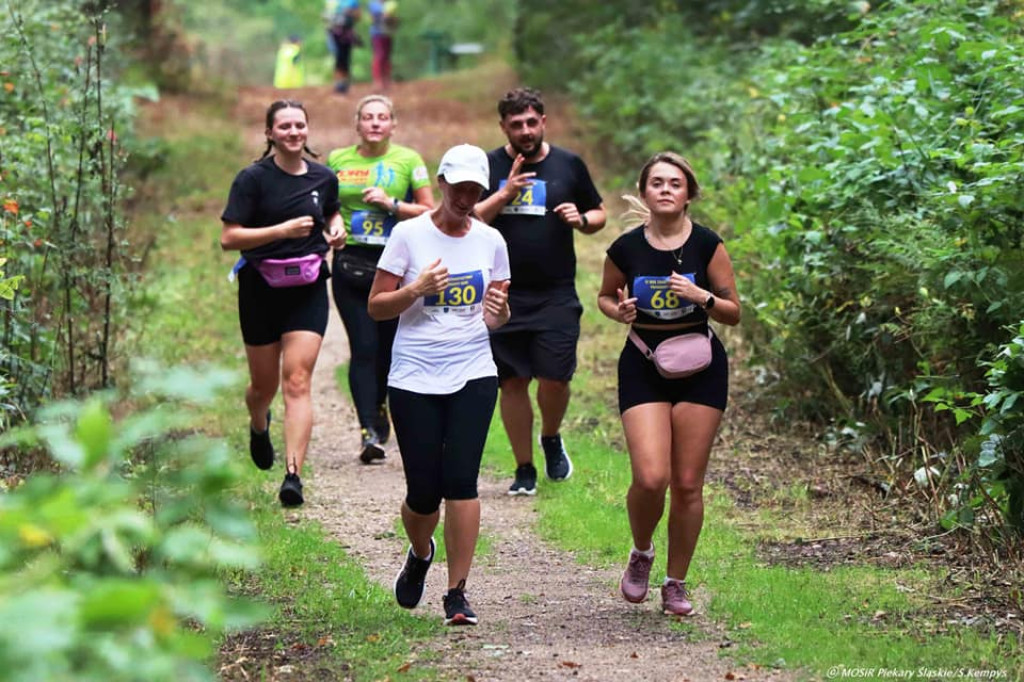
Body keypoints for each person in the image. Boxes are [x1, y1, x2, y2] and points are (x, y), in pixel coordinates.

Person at [367, 144, 511, 626]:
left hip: (473, 370)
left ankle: (457, 593)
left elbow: (496, 310)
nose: (466, 197)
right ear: (443, 182)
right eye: (460, 187)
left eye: (476, 189)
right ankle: (420, 551)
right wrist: (415, 290)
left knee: (461, 482)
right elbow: (377, 306)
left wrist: (500, 314)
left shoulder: (491, 241)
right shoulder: (408, 236)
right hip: (414, 375)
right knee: (424, 492)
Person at [596, 152, 741, 616]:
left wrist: (704, 297)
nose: (664, 189)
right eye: (656, 182)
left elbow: (733, 312)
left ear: (688, 194)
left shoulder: (707, 245)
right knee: (651, 477)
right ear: (643, 192)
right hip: (643, 363)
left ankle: (676, 583)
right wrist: (616, 312)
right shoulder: (624, 248)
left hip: (700, 366)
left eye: (674, 183)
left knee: (686, 484)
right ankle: (642, 552)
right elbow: (604, 296)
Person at [475, 87, 606, 497]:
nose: (526, 131)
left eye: (532, 122)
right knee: (512, 382)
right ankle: (524, 467)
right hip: (502, 292)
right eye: (516, 125)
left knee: (554, 378)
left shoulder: (568, 164)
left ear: (543, 122)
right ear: (503, 127)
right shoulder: (488, 165)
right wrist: (504, 194)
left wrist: (582, 219)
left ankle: (550, 436)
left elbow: (600, 212)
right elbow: (468, 218)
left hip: (555, 292)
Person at [220, 100, 347, 508]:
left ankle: (293, 476)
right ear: (270, 133)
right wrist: (281, 230)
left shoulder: (325, 178)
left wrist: (336, 229)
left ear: (307, 130)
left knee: (297, 381)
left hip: (307, 288)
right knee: (264, 387)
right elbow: (229, 237)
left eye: (299, 125)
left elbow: (331, 213)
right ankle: (259, 423)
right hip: (260, 289)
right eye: (285, 126)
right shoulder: (252, 179)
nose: (293, 132)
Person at [326, 95, 433, 464]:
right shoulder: (338, 159)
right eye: (368, 117)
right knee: (364, 347)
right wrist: (334, 224)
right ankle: (368, 429)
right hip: (351, 264)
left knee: (389, 351)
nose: (375, 123)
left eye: (382, 117)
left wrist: (391, 205)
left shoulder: (409, 160)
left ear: (393, 124)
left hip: (394, 267)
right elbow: (328, 207)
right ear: (357, 124)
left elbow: (429, 211)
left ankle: (381, 406)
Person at [324, 0, 362, 94]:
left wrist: (350, 13)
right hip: (335, 33)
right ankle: (338, 82)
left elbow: (358, 16)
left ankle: (344, 82)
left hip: (347, 33)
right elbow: (326, 16)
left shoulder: (352, 2)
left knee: (345, 57)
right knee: (338, 57)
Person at [367, 0, 398, 92]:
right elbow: (372, 18)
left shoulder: (391, 3)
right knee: (379, 55)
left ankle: (386, 79)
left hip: (388, 33)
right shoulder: (373, 4)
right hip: (377, 33)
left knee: (386, 56)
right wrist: (383, 16)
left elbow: (394, 18)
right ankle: (378, 80)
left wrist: (392, 19)